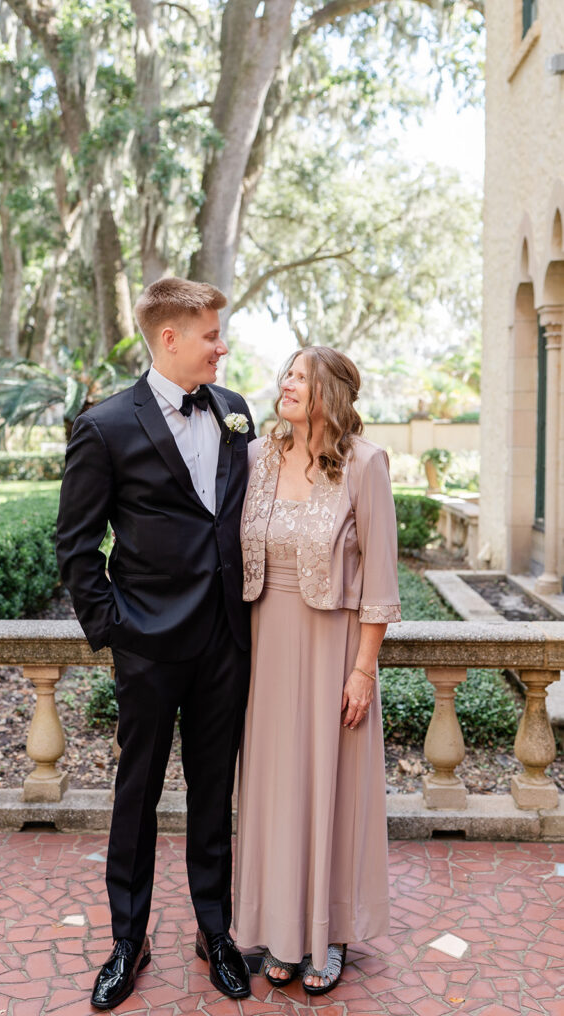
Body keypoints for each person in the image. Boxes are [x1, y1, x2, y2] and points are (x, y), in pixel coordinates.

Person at [56, 278, 255, 1010]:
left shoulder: (234, 410)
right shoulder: (105, 425)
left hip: (227, 639)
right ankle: (126, 940)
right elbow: (76, 546)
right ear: (168, 338)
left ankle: (215, 931)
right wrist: (115, 632)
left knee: (213, 791)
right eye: (210, 334)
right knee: (135, 794)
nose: (221, 346)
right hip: (147, 643)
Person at [233, 346, 401, 995]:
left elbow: (381, 581)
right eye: (285, 374)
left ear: (328, 390)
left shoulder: (366, 464)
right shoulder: (257, 457)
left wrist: (362, 670)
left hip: (333, 648)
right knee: (276, 790)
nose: (286, 384)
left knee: (330, 789)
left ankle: (327, 934)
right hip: (265, 644)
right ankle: (280, 930)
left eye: (299, 377)